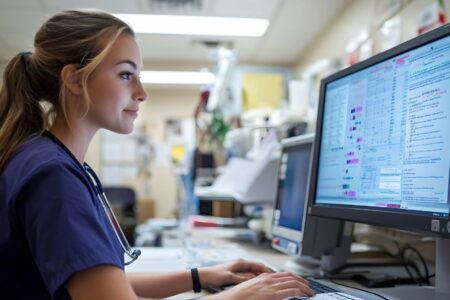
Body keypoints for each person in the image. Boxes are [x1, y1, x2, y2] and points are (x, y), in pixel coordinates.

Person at [0, 10, 314, 300]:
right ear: (73, 79)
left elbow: (102, 284)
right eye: (126, 75)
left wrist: (201, 275)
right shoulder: (52, 175)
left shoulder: (47, 159)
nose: (142, 92)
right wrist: (241, 295)